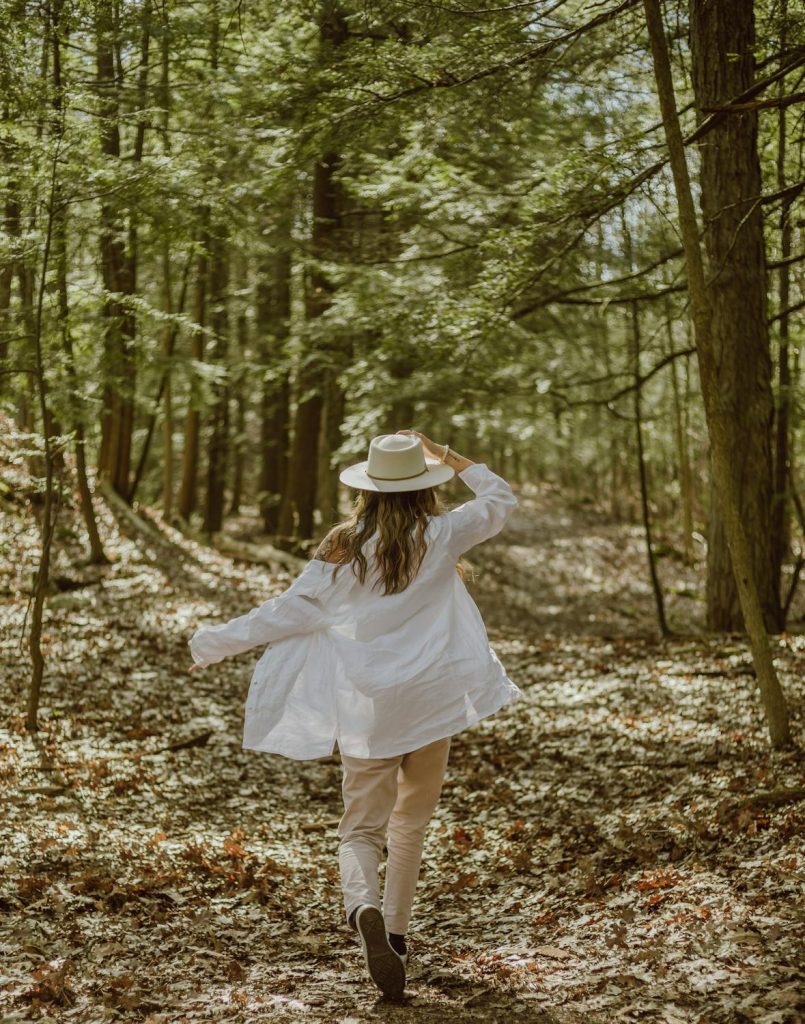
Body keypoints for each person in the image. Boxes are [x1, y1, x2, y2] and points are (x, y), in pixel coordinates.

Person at [188, 429, 522, 1001]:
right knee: (410, 825)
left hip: (371, 706)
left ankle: (361, 905)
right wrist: (447, 455)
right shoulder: (442, 534)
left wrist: (213, 641)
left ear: (366, 491)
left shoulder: (344, 546)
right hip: (432, 702)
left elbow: (290, 610)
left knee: (361, 830)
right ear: (423, 489)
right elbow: (499, 500)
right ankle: (393, 937)